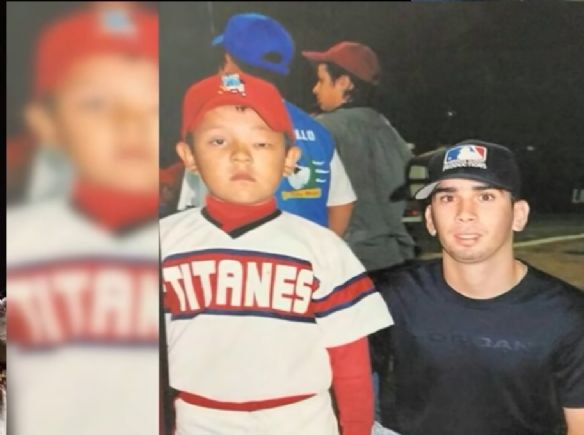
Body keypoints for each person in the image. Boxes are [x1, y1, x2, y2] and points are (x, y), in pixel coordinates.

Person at [162, 71, 393, 435]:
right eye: (219, 141)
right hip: (198, 418)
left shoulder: (321, 246)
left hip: (301, 419)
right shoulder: (163, 242)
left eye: (261, 143)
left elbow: (350, 359)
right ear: (189, 156)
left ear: (290, 159)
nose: (240, 155)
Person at [371, 140, 584, 435]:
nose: (465, 213)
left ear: (519, 215)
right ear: (430, 219)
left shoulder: (571, 318)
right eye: (447, 198)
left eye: (485, 196)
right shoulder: (390, 296)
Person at [6, 5, 160, 435]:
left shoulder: (184, 242)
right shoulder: (23, 237)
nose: (130, 124)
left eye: (150, 104)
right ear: (47, 124)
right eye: (97, 103)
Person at [176, 13, 356, 236]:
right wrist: (321, 250)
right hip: (304, 256)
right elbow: (342, 203)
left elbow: (193, 212)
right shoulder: (317, 130)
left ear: (228, 62)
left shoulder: (213, 130)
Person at [302, 41, 415, 275]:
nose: (315, 89)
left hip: (349, 264)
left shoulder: (321, 130)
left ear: (344, 82)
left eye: (321, 80)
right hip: (397, 259)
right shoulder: (387, 128)